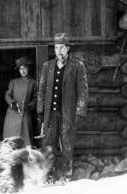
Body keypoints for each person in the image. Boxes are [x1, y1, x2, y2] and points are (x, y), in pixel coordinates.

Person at [37, 33, 89, 176]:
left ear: (68, 48)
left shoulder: (77, 66)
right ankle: (48, 171)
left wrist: (79, 112)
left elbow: (83, 92)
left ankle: (67, 171)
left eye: (61, 48)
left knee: (67, 142)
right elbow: (41, 90)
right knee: (49, 142)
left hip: (68, 112)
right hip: (51, 113)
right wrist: (40, 110)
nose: (58, 51)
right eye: (56, 48)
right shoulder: (47, 66)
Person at [3, 57, 37, 148]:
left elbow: (36, 98)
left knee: (26, 140)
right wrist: (12, 103)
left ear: (28, 68)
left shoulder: (33, 83)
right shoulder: (13, 82)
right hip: (12, 114)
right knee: (11, 140)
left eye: (25, 68)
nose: (23, 71)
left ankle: (27, 159)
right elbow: (8, 95)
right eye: (21, 68)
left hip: (25, 113)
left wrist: (29, 106)